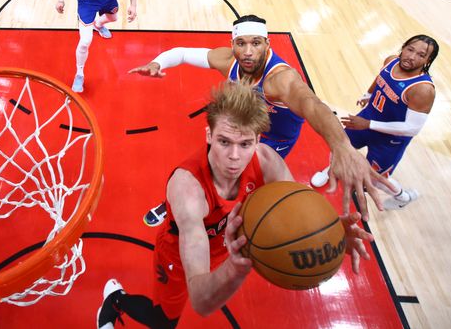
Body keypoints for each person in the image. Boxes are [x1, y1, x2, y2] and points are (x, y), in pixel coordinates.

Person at [96, 83, 373, 329]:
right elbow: (202, 302)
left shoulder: (266, 161)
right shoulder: (188, 190)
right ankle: (115, 300)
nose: (233, 157)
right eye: (224, 141)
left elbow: (297, 212)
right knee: (163, 322)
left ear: (258, 140)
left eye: (245, 144)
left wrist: (331, 234)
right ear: (208, 135)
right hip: (178, 257)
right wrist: (237, 267)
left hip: (224, 244)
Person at [129, 14, 394, 226]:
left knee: (242, 179)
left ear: (268, 45)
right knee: (207, 164)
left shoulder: (280, 79)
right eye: (241, 43)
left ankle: (230, 215)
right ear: (232, 44)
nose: (247, 51)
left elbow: (313, 106)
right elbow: (183, 53)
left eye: (256, 43)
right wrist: (157, 62)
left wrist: (342, 146)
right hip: (242, 128)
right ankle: (176, 204)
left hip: (272, 140)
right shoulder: (228, 60)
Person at [310, 35, 438, 210]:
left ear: (427, 60)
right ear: (403, 47)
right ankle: (331, 171)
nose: (412, 57)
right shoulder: (391, 61)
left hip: (390, 140)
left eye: (421, 55)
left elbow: (412, 128)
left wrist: (368, 124)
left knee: (376, 181)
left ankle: (403, 197)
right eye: (410, 49)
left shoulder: (423, 89)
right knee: (340, 146)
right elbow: (381, 79)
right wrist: (369, 94)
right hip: (367, 120)